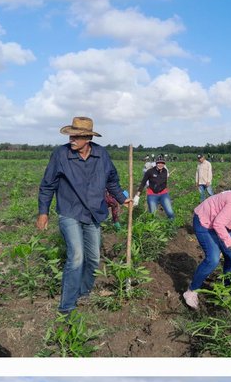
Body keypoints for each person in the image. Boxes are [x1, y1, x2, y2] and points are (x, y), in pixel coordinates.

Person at [38, 115, 132, 315]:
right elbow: (48, 185)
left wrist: (122, 198)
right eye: (71, 136)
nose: (72, 139)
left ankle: (83, 292)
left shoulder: (101, 155)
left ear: (88, 138)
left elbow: (112, 180)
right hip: (70, 211)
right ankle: (67, 306)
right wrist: (43, 212)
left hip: (94, 213)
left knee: (93, 258)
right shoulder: (61, 155)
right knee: (77, 257)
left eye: (77, 137)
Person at [140, 154, 174, 219]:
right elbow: (143, 181)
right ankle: (153, 227)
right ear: (156, 163)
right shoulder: (148, 170)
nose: (160, 164)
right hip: (152, 193)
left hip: (163, 193)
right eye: (158, 163)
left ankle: (170, 226)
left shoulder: (165, 170)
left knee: (170, 213)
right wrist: (137, 195)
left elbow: (165, 176)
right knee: (153, 215)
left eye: (162, 163)